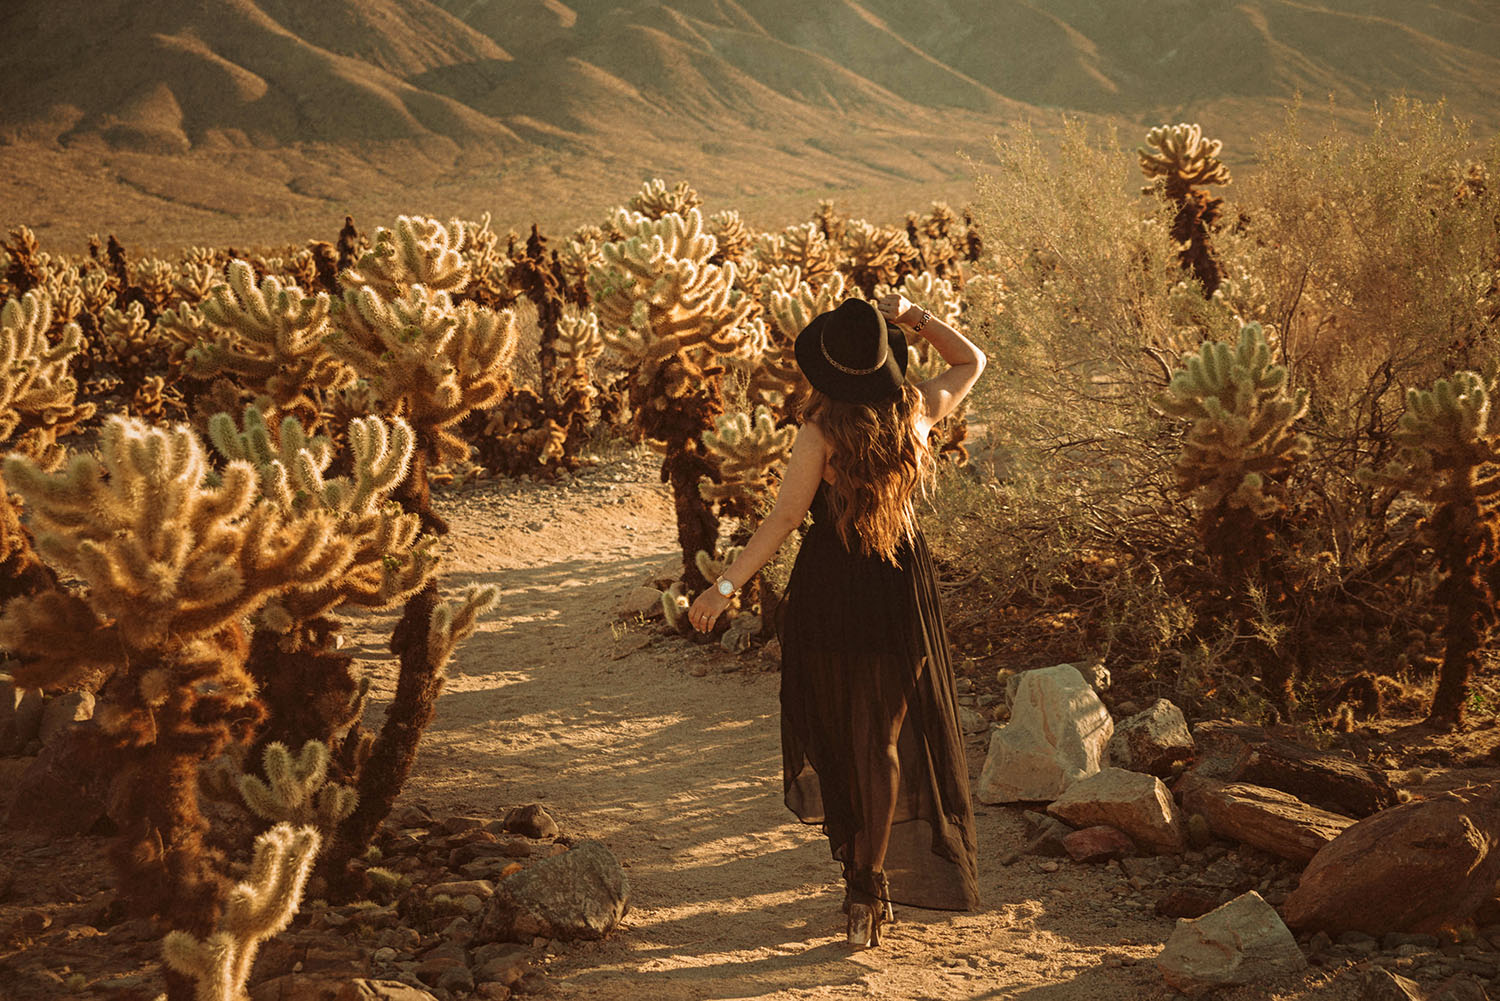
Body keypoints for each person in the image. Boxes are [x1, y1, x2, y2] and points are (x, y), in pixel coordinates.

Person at [687, 292, 986, 947]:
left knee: (837, 732)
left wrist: (727, 584)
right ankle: (868, 887)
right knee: (880, 740)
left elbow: (784, 520)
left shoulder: (818, 433)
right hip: (897, 590)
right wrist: (913, 314)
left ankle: (863, 874)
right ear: (886, 362)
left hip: (829, 588)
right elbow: (972, 360)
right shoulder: (916, 412)